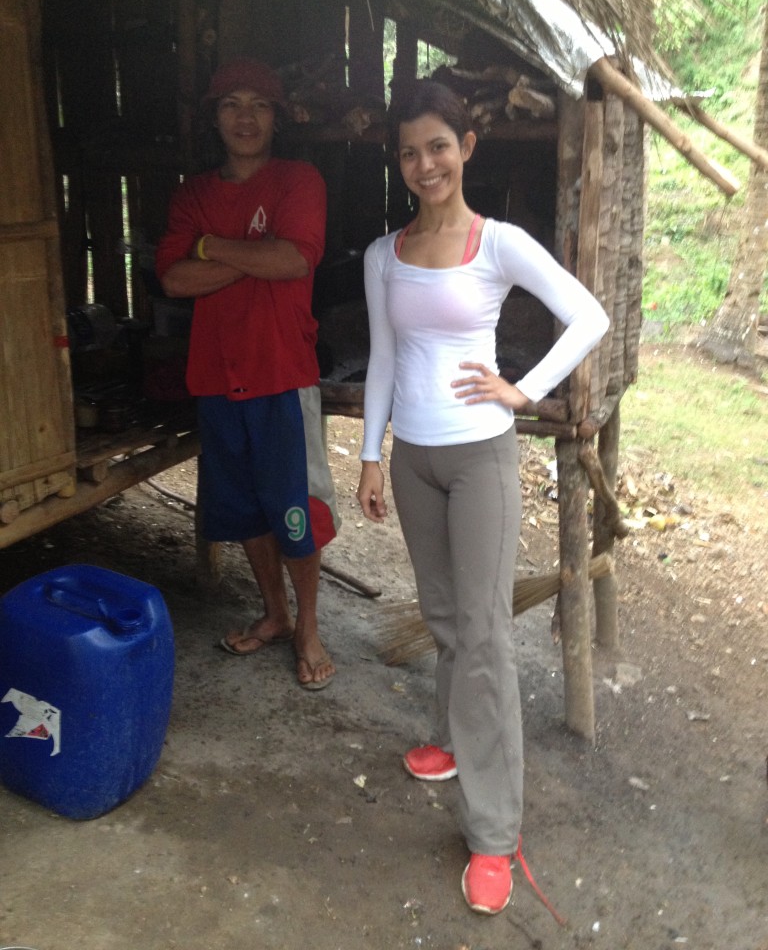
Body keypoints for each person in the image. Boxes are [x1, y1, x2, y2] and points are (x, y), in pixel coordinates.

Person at [356, 80, 609, 914]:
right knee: (445, 619)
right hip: (414, 463)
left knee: (489, 638)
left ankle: (495, 834)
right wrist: (369, 453)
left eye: (438, 145)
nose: (423, 163)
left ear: (467, 146)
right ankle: (452, 741)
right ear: (398, 162)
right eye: (408, 150)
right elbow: (385, 360)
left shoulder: (498, 243)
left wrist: (523, 391)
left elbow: (587, 317)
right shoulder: (383, 255)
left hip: (480, 463)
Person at [156, 57, 340, 691]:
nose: (244, 116)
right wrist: (250, 259)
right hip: (215, 377)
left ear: (277, 117)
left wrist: (211, 247)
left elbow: (293, 260)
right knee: (247, 512)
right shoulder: (194, 194)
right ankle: (276, 614)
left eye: (258, 104)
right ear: (215, 118)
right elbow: (174, 277)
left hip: (281, 374)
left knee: (294, 511)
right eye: (231, 103)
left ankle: (310, 627)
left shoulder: (298, 180)